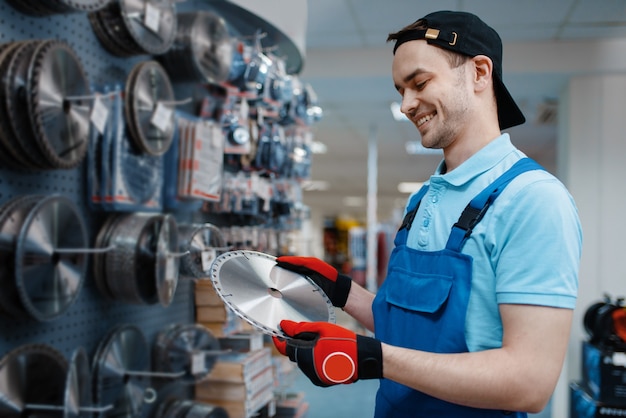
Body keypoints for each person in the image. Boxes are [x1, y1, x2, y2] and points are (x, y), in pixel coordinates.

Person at [272, 10, 582, 418]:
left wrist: (373, 359)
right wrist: (342, 292)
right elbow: (405, 332)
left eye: (418, 83)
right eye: (401, 89)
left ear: (480, 73)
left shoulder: (533, 200)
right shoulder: (421, 200)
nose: (405, 105)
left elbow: (528, 383)